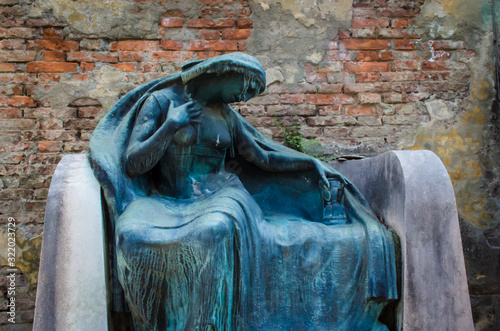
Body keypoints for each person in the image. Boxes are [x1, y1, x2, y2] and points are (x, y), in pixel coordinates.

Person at [89, 52, 397, 330]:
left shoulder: (226, 116)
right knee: (129, 233)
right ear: (223, 74)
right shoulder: (161, 102)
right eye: (246, 87)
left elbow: (263, 156)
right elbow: (132, 164)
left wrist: (309, 163)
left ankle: (210, 324)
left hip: (220, 195)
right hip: (166, 201)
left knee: (217, 228)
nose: (246, 96)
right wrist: (170, 126)